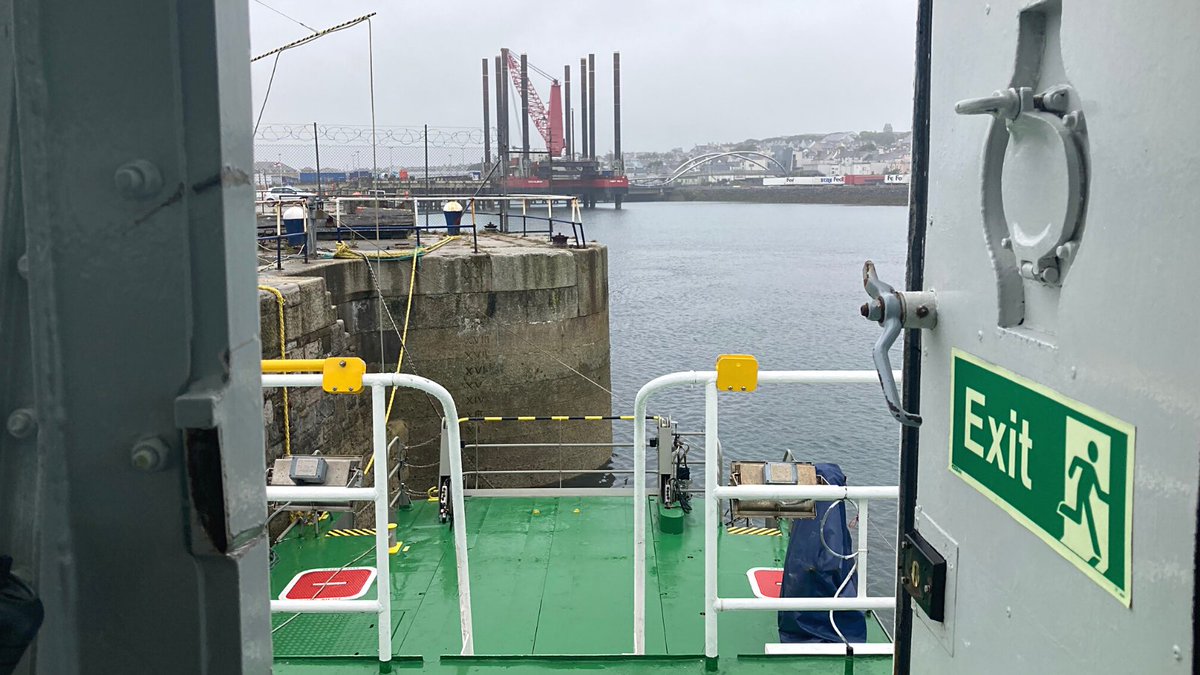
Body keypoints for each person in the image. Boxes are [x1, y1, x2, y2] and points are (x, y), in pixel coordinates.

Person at [1057, 441, 1109, 567]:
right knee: (1087, 520)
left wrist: (1108, 498)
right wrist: (1071, 471)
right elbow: (1076, 461)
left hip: (1084, 496)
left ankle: (1098, 555)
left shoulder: (1091, 469)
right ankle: (1098, 554)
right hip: (1081, 494)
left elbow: (1098, 490)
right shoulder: (1089, 467)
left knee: (1085, 519)